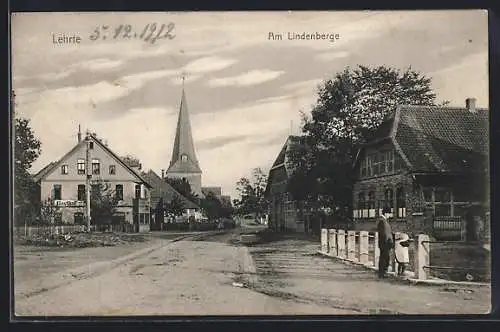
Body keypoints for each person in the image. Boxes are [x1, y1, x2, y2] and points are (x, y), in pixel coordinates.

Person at [377, 207, 394, 278]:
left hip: (385, 243)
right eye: (390, 213)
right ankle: (382, 273)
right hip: (385, 243)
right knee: (384, 258)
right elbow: (384, 233)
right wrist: (388, 241)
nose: (390, 215)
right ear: (386, 213)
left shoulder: (384, 221)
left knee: (384, 258)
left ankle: (382, 272)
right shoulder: (382, 221)